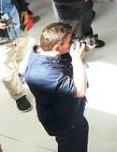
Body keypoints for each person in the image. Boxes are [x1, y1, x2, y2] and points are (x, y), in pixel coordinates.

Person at [24, 22, 91, 152]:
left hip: (68, 110)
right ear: (56, 47)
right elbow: (79, 90)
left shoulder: (41, 49)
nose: (72, 43)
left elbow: (61, 58)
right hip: (65, 123)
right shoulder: (43, 73)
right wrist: (77, 59)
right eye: (69, 41)